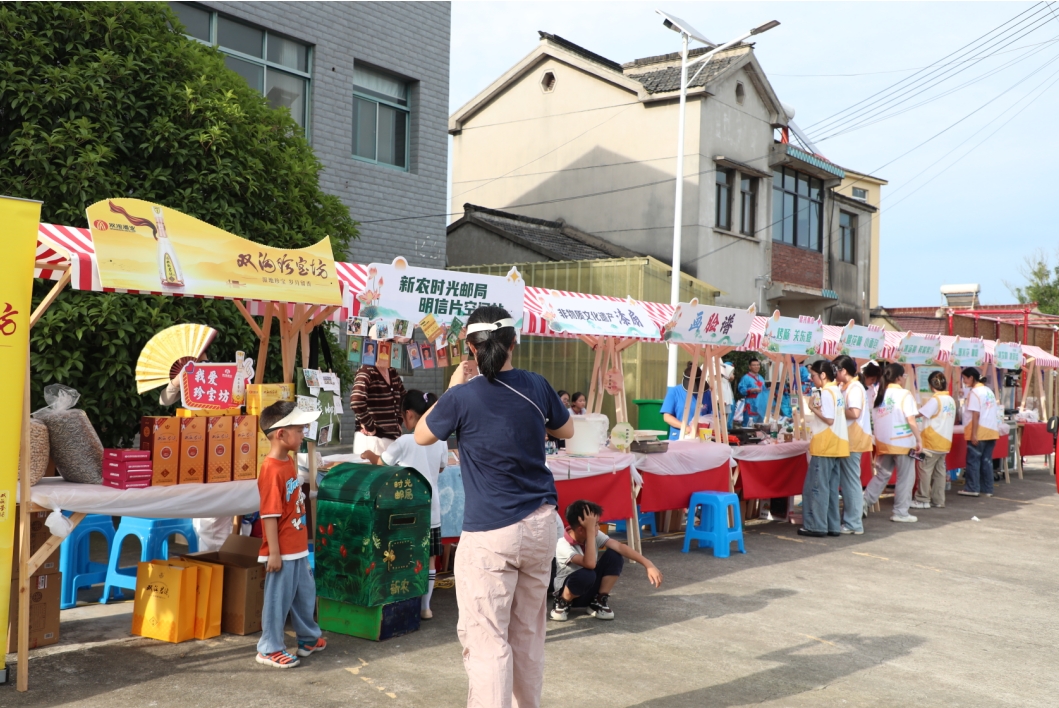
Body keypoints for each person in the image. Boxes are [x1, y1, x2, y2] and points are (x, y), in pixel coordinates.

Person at [415, 305, 574, 708]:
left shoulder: (461, 397)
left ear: (470, 347)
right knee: (527, 635)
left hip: (490, 534)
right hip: (541, 525)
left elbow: (420, 435)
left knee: (487, 640)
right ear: (513, 342)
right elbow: (567, 428)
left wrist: (453, 386)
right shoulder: (536, 385)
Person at [361, 389, 448, 620]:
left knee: (402, 554)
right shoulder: (440, 440)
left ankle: (403, 602)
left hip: (405, 509)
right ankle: (426, 607)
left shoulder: (405, 441)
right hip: (431, 507)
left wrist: (370, 455)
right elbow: (441, 468)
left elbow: (382, 464)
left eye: (402, 416)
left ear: (409, 414)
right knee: (429, 557)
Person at [255, 401, 326, 668]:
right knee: (278, 600)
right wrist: (273, 552)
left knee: (304, 594)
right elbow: (269, 515)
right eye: (299, 430)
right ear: (281, 434)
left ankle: (308, 638)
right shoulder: (271, 469)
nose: (303, 434)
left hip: (297, 547)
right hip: (282, 551)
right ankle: (269, 648)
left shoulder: (288, 460)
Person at [550, 500, 663, 622]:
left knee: (615, 555)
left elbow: (620, 547)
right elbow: (590, 564)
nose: (598, 528)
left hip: (589, 588)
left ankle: (598, 601)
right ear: (581, 530)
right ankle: (562, 603)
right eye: (595, 524)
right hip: (571, 594)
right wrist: (591, 532)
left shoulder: (591, 533)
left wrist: (648, 564)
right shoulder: (562, 544)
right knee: (587, 573)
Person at [863, 363, 922, 523]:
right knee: (905, 478)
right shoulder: (904, 394)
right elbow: (910, 419)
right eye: (904, 376)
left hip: (884, 442)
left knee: (882, 475)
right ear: (899, 377)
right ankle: (900, 512)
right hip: (903, 442)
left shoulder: (879, 394)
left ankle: (863, 503)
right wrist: (919, 439)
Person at [798, 360, 849, 538]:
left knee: (816, 488)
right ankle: (832, 525)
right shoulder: (837, 391)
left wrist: (812, 408)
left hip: (825, 445)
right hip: (837, 445)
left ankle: (816, 526)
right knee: (831, 489)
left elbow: (828, 419)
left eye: (813, 375)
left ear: (823, 375)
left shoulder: (827, 392)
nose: (811, 379)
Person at [833, 355, 871, 535]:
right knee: (849, 481)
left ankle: (853, 523)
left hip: (853, 439)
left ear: (844, 371)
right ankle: (851, 520)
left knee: (850, 482)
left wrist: (835, 409)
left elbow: (855, 413)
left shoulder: (855, 388)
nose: (833, 373)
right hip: (848, 438)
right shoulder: (846, 387)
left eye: (835, 370)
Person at [915, 371, 956, 509]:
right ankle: (938, 500)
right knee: (939, 472)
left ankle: (922, 499)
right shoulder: (950, 400)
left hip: (931, 441)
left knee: (925, 470)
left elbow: (920, 413)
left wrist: (907, 414)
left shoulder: (935, 400)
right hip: (945, 442)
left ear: (931, 385)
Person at [350, 356, 406, 457]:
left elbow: (404, 398)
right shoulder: (366, 370)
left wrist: (399, 420)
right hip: (372, 442)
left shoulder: (392, 371)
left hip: (391, 442)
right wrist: (369, 426)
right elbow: (357, 401)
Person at [959, 367, 1000, 498]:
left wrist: (974, 434)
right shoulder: (988, 391)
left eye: (965, 378)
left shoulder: (974, 393)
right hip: (991, 430)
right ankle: (987, 489)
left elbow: (975, 415)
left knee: (973, 460)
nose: (964, 381)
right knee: (987, 461)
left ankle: (972, 488)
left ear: (971, 378)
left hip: (979, 431)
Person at [660, 362, 713, 440]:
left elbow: (712, 416)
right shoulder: (674, 392)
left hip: (702, 438)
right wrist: (686, 428)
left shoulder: (707, 394)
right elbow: (667, 417)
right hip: (678, 438)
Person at [738, 359, 767, 425]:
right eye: (754, 365)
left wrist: (768, 390)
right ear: (750, 367)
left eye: (758, 365)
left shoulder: (761, 377)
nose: (756, 366)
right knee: (749, 423)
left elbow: (763, 389)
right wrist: (752, 390)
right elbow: (741, 390)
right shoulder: (746, 378)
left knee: (760, 424)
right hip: (751, 403)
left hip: (761, 404)